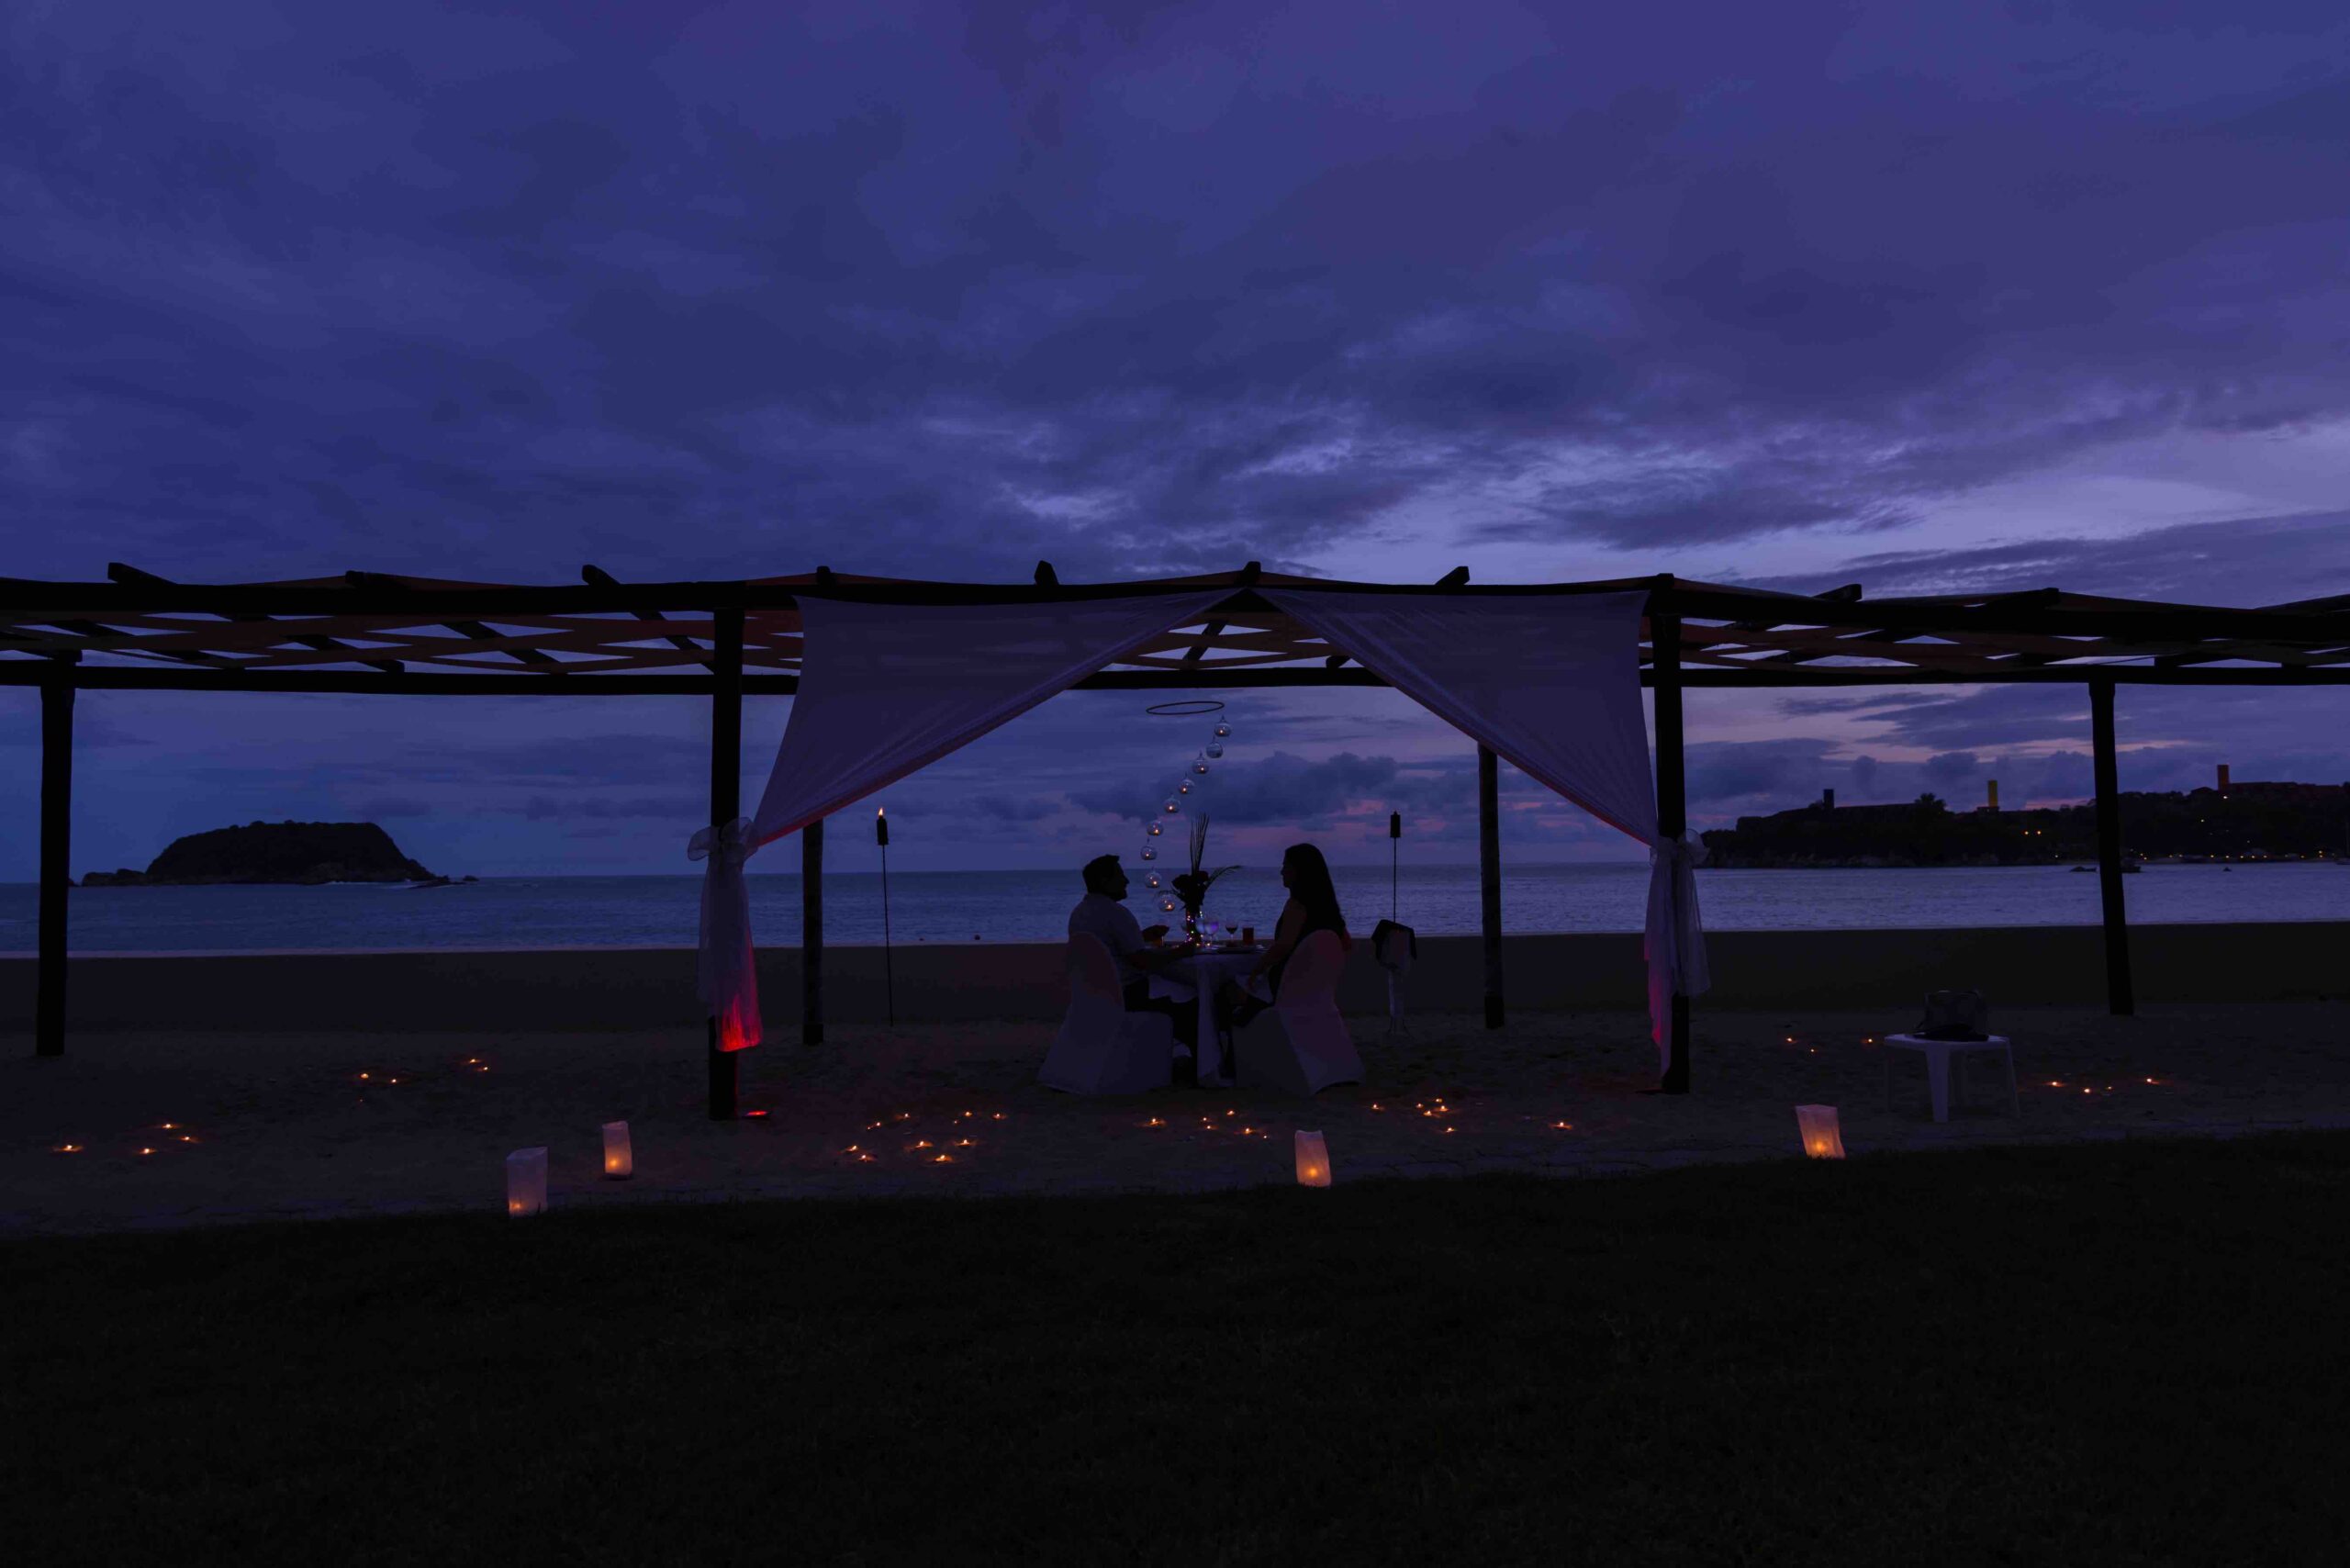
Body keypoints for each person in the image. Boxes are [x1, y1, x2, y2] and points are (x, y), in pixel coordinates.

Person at [1068, 854, 1199, 1060]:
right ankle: (1202, 1065)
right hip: (1128, 997)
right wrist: (1181, 952)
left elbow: (1106, 945)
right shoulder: (1116, 913)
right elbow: (1142, 962)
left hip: (1094, 997)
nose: (1126, 881)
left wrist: (1140, 937)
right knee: (1197, 1005)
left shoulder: (1079, 913)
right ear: (1104, 881)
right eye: (1120, 876)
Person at [1217, 843, 1352, 1029]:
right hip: (1314, 990)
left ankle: (1229, 1041)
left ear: (1298, 871)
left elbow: (1283, 946)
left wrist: (1257, 970)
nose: (1281, 872)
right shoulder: (1329, 910)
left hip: (1287, 985)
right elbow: (1345, 945)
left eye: (1285, 866)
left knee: (1224, 991)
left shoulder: (1296, 905)